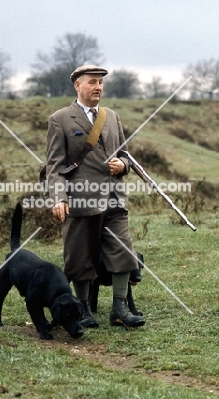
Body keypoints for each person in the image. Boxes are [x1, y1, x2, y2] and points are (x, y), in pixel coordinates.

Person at [45, 64, 145, 328]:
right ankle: (85, 309)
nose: (98, 87)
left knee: (123, 250)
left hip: (113, 196)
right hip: (81, 199)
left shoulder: (111, 116)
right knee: (80, 256)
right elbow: (54, 166)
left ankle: (119, 308)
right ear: (78, 85)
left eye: (101, 82)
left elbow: (124, 153)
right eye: (92, 82)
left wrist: (123, 166)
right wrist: (59, 197)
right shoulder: (61, 119)